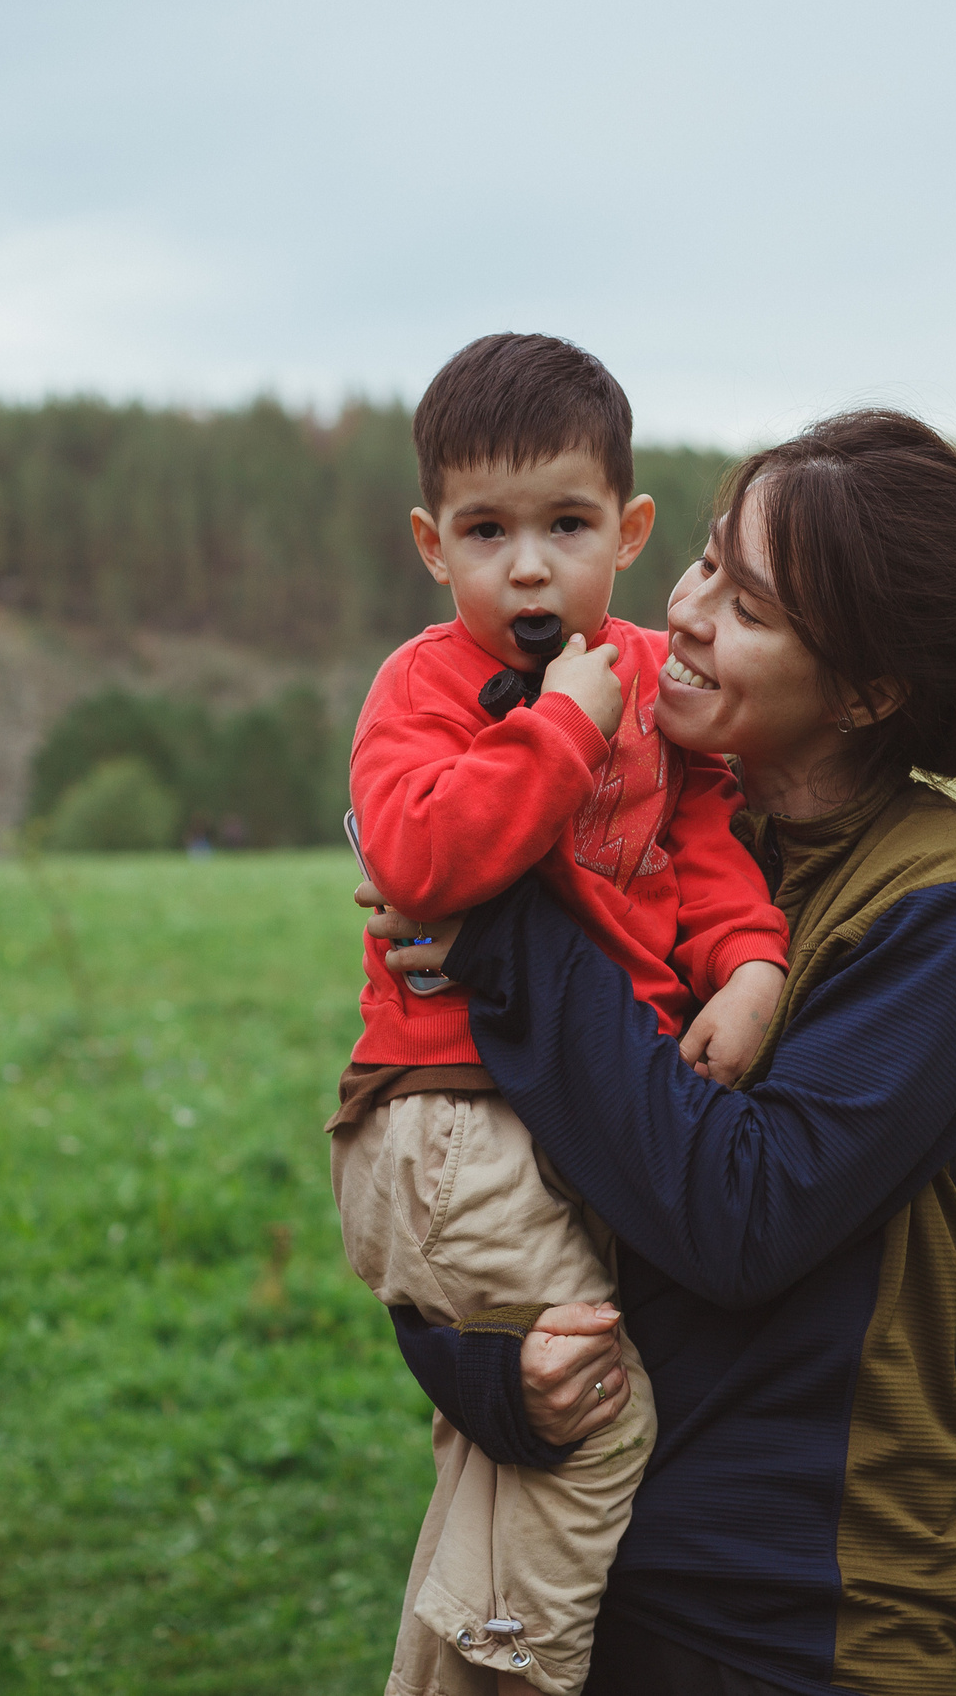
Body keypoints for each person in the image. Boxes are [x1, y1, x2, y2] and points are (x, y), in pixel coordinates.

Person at [366, 409, 956, 1696]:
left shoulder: (941, 908)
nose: (690, 612)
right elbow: (475, 1182)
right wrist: (493, 1374)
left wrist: (491, 910)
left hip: (801, 1610)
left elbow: (736, 1214)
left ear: (868, 692)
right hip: (593, 1569)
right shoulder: (629, 841)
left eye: (749, 604)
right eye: (705, 562)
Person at [330, 333, 793, 1696]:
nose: (526, 566)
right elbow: (417, 861)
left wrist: (751, 961)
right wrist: (562, 729)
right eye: (487, 530)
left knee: (495, 1453)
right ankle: (537, 1673)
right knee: (592, 1417)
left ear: (629, 530)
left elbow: (698, 835)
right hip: (449, 1121)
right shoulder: (422, 688)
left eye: (565, 525)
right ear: (432, 544)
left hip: (551, 1120)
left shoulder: (647, 677)